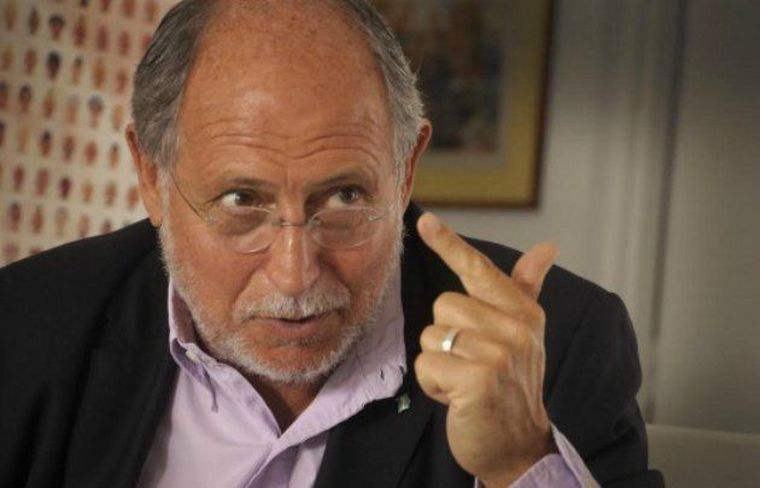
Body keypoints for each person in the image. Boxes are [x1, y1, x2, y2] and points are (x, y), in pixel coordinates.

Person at [0, 1, 664, 487]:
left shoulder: (559, 346)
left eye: (344, 197)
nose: (295, 276)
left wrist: (522, 462)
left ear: (404, 170)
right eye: (241, 201)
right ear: (151, 176)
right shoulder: (27, 322)